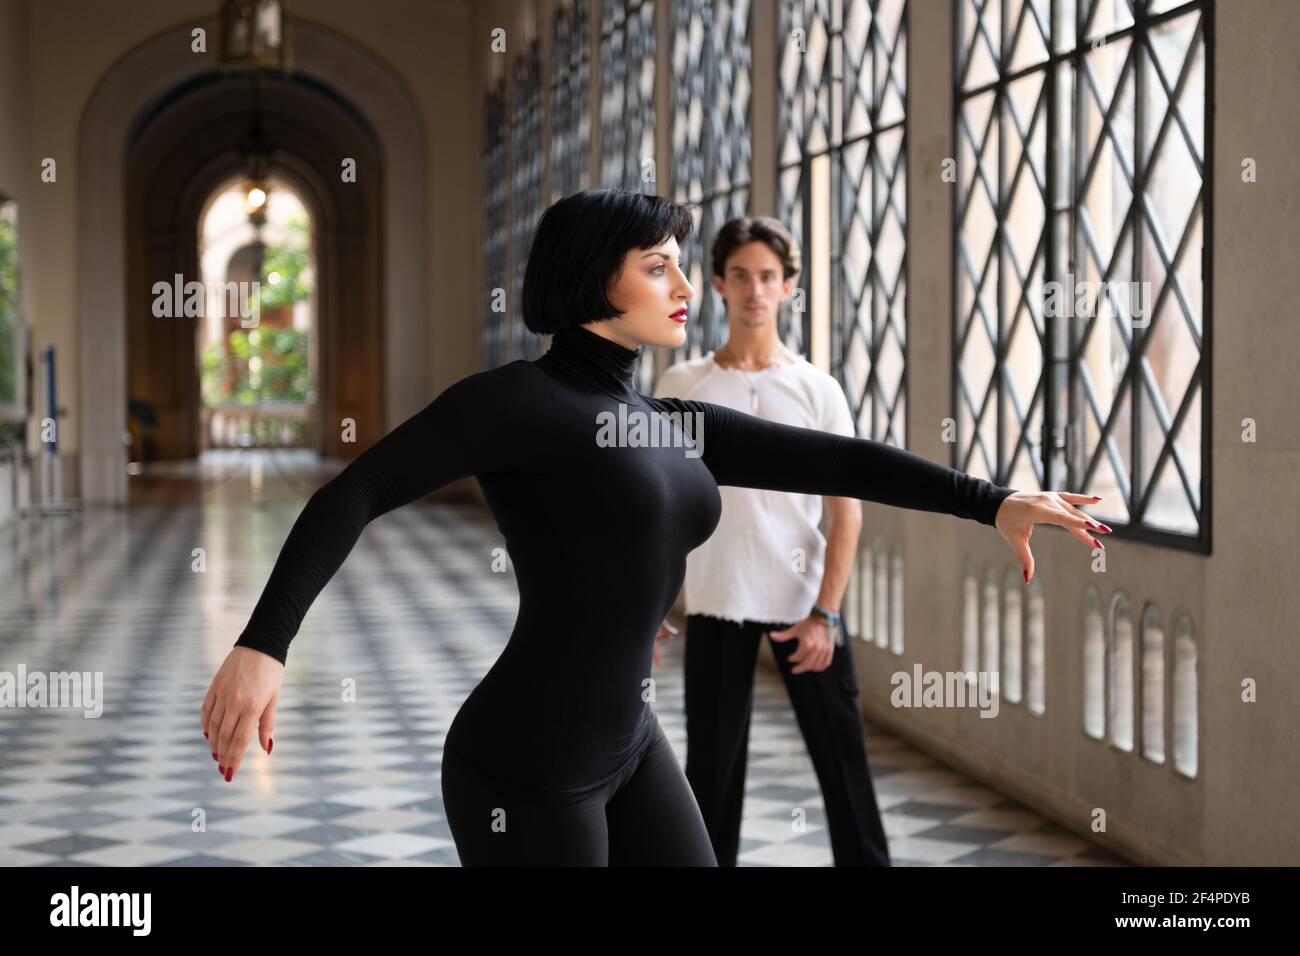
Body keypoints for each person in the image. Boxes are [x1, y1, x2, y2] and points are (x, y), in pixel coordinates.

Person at [199, 187, 1111, 866]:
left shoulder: (666, 420)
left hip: (629, 742)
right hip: (528, 763)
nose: (685, 285)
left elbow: (837, 459)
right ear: (596, 278)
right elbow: (352, 493)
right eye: (658, 265)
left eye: (679, 262)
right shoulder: (518, 400)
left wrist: (991, 499)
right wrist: (264, 644)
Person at [650, 215, 890, 866]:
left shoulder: (818, 389)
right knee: (711, 780)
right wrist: (648, 612)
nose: (754, 290)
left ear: (788, 287)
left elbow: (848, 513)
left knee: (845, 771)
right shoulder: (683, 388)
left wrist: (827, 613)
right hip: (718, 601)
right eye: (740, 276)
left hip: (806, 606)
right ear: (718, 285)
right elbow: (658, 511)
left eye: (768, 276)